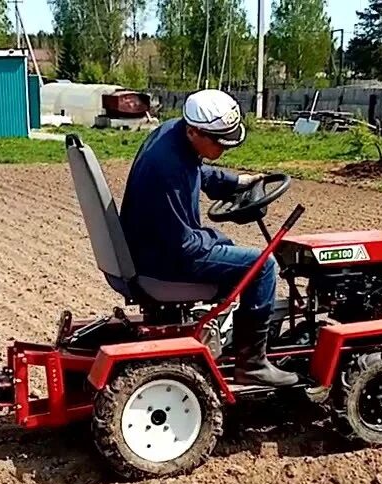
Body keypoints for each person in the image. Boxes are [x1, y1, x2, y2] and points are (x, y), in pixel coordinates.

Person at [118, 89, 298, 388]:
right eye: (219, 142)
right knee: (262, 266)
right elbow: (183, 245)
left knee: (238, 254)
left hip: (147, 247)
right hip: (161, 261)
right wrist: (217, 239)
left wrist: (235, 183)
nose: (224, 148)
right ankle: (252, 364)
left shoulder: (172, 134)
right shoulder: (166, 170)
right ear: (194, 131)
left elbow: (197, 170)